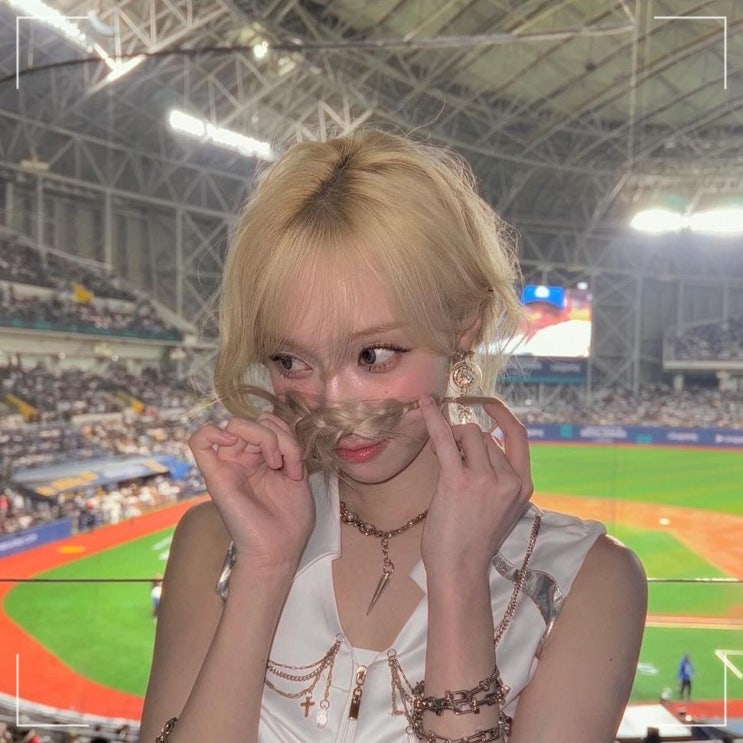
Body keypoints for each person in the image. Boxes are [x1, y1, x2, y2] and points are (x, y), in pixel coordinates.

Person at [140, 129, 647, 742]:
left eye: (374, 355)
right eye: (290, 361)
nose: (335, 403)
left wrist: (459, 580)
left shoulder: (588, 581)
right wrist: (264, 568)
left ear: (464, 324)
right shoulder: (217, 539)